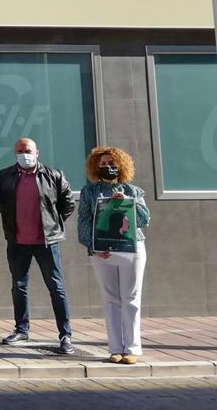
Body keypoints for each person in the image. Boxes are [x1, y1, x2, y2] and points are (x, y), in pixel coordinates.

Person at [0, 138, 76, 355]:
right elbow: (0, 203)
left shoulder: (54, 175)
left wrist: (52, 225)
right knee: (19, 286)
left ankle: (65, 335)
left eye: (28, 150)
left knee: (56, 288)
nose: (24, 154)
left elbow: (68, 203)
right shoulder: (5, 175)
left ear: (37, 152)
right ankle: (21, 329)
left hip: (47, 242)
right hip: (17, 242)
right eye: (20, 151)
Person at [77, 146, 151, 364]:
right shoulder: (89, 192)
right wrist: (93, 247)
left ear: (121, 165)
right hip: (103, 252)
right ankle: (115, 348)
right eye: (102, 164)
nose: (107, 167)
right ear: (95, 167)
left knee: (131, 298)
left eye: (112, 163)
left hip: (132, 249)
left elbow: (145, 220)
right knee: (110, 299)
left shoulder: (133, 190)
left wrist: (129, 201)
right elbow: (83, 221)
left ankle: (132, 349)